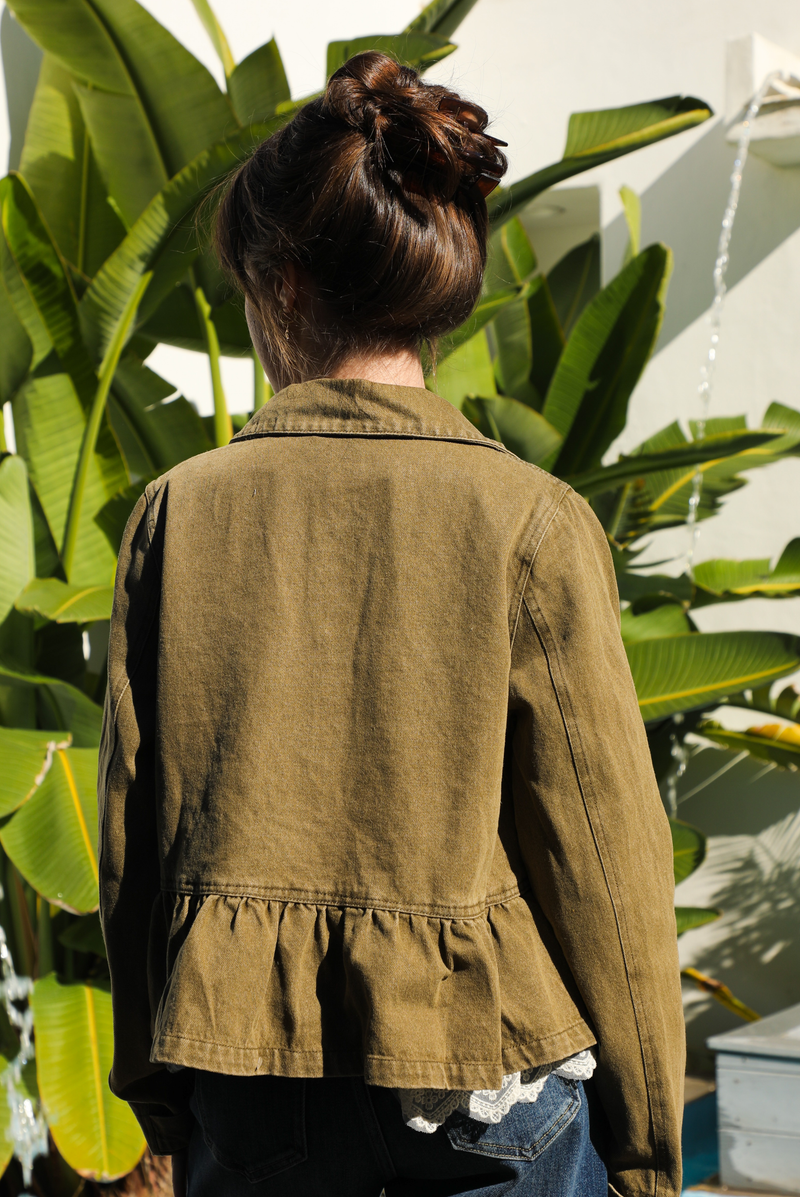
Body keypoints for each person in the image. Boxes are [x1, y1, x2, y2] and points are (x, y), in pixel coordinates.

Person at [98, 51, 684, 1197]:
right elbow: (603, 862)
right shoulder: (529, 519)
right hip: (485, 1092)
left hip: (247, 1085)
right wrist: (646, 1145)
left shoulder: (180, 510)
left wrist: (159, 1093)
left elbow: (134, 838)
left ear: (284, 287)